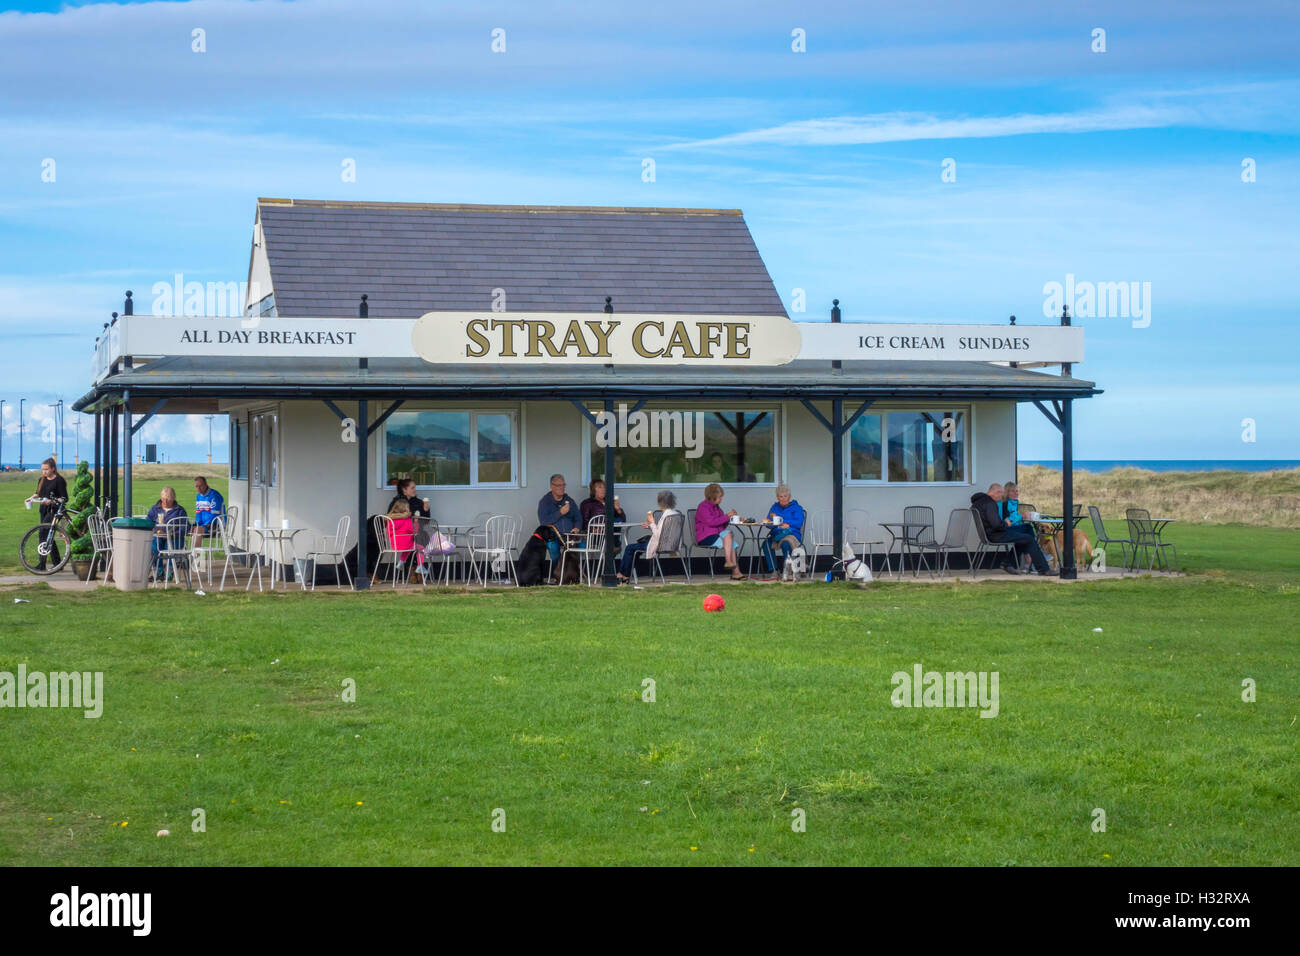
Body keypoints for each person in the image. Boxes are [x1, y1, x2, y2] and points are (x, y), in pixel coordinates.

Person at [971, 483, 1050, 575]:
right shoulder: (990, 503)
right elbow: (996, 525)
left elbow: (995, 523)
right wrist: (1006, 523)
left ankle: (1008, 563)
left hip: (992, 533)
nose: (1001, 497)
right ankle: (1043, 569)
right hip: (996, 534)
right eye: (1001, 494)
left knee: (1027, 528)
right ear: (997, 492)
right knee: (1028, 539)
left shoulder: (979, 502)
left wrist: (1005, 524)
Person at [617, 490, 678, 582]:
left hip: (660, 545)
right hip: (671, 544)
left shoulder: (666, 516)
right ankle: (625, 574)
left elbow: (658, 535)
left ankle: (623, 574)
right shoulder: (675, 514)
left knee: (630, 548)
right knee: (636, 547)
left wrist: (652, 522)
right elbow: (666, 532)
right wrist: (650, 526)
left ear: (660, 502)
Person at [694, 483, 744, 580]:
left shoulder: (717, 507)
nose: (721, 499)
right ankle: (733, 568)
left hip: (717, 535)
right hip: (706, 537)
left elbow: (721, 523)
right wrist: (727, 516)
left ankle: (733, 569)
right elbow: (711, 522)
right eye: (719, 496)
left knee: (730, 539)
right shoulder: (703, 507)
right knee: (730, 539)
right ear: (712, 496)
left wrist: (730, 518)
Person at [26, 458, 68, 571]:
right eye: (42, 469)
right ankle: (58, 563)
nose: (44, 471)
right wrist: (31, 498)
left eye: (46, 469)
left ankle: (43, 564)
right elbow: (38, 493)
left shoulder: (59, 480)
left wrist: (52, 501)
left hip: (54, 511)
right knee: (48, 535)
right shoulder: (42, 479)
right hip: (43, 510)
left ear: (53, 469)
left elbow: (64, 498)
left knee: (43, 533)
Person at [761, 484, 806, 577]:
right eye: (780, 496)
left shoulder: (796, 507)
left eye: (785, 496)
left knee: (786, 543)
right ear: (777, 497)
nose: (783, 498)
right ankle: (774, 570)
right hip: (777, 535)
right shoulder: (774, 507)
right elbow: (769, 524)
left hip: (792, 534)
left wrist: (785, 523)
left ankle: (788, 570)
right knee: (766, 544)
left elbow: (798, 522)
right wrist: (771, 523)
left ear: (789, 496)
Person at [147, 487, 189, 579]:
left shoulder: (180, 511)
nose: (165, 502)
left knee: (170, 546)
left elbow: (185, 527)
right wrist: (156, 530)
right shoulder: (155, 509)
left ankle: (170, 571)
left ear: (173, 499)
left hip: (175, 538)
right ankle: (159, 571)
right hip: (158, 536)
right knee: (154, 545)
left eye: (168, 499)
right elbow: (148, 523)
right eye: (163, 499)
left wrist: (172, 534)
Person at [537, 473, 580, 564]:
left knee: (583, 545)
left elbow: (578, 518)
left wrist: (577, 527)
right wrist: (560, 513)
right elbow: (544, 522)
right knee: (553, 547)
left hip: (570, 536)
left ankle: (574, 574)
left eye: (563, 485)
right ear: (551, 486)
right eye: (559, 485)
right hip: (553, 536)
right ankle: (559, 573)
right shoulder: (545, 502)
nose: (562, 487)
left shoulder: (570, 501)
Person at [389, 477, 432, 547]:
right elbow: (390, 519)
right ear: (404, 490)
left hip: (416, 532)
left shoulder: (419, 502)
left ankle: (417, 555)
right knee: (421, 536)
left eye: (415, 487)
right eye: (412, 488)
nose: (415, 490)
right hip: (402, 535)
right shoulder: (397, 502)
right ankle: (417, 555)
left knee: (425, 533)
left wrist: (426, 510)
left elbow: (426, 521)